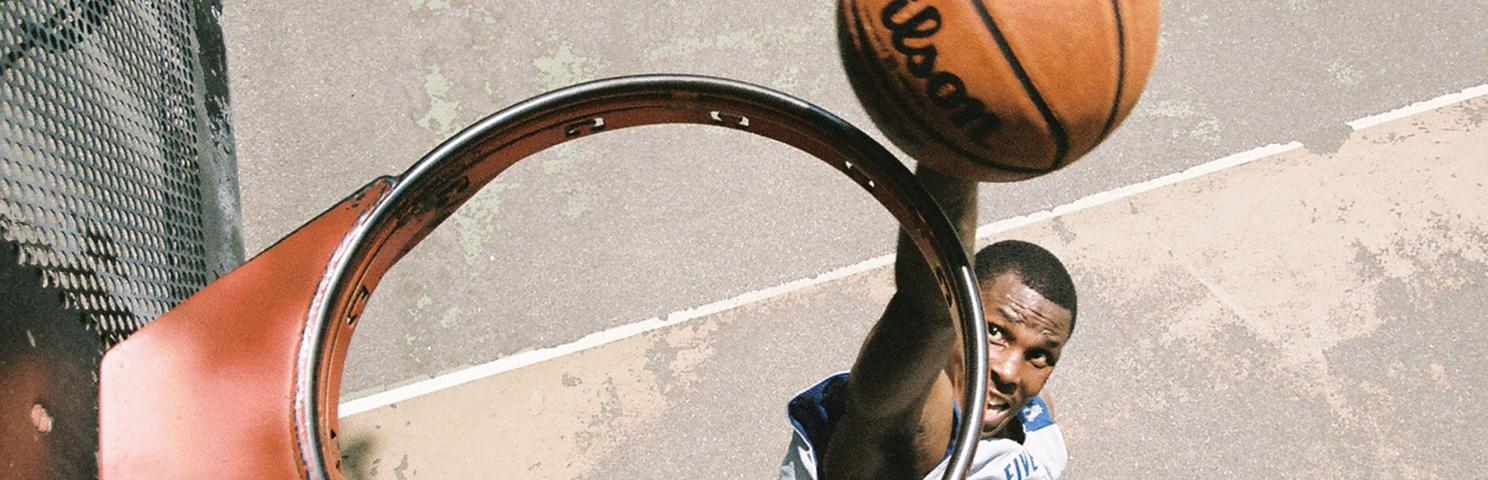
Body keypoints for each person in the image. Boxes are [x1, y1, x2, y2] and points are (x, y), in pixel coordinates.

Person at [780, 166, 1077, 480]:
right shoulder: (909, 430)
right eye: (995, 332)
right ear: (960, 316)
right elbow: (925, 310)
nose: (1009, 371)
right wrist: (951, 163)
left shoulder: (1034, 415)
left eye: (1040, 355)